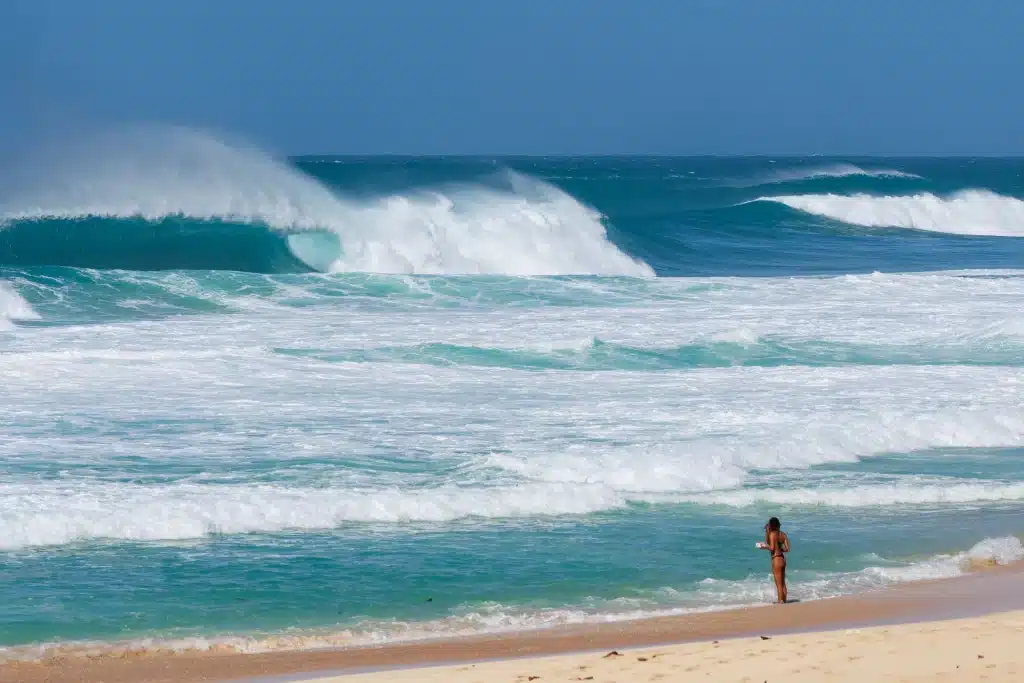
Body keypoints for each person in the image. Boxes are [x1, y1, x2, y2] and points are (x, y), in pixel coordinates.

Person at [759, 517, 790, 603]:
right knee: (783, 583)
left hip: (776, 559)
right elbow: (787, 549)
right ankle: (784, 600)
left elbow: (772, 548)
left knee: (778, 584)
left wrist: (764, 546)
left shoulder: (772, 534)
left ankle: (780, 601)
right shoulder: (783, 534)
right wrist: (779, 548)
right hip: (782, 559)